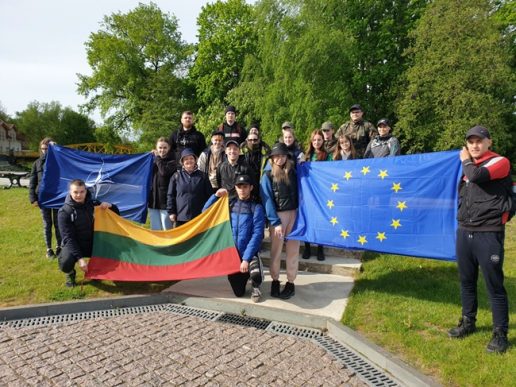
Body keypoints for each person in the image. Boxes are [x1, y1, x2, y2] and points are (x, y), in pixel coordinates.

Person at [448, 126, 512, 353]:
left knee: (494, 285)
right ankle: (468, 322)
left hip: (488, 233)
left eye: (479, 141)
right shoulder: (468, 167)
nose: (474, 146)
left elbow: (476, 176)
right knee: (466, 280)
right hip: (465, 231)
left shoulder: (499, 161)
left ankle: (500, 334)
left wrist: (465, 160)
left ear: (489, 143)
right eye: (470, 142)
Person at [203, 175, 265, 302]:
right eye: (239, 187)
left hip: (249, 253)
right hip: (233, 254)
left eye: (245, 186)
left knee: (256, 274)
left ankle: (256, 284)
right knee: (238, 292)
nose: (242, 189)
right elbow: (205, 213)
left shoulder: (256, 208)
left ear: (251, 188)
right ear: (235, 188)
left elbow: (257, 235)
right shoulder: (229, 205)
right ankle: (245, 276)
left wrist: (246, 259)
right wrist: (215, 196)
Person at [58, 179, 119, 287]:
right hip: (74, 243)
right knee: (65, 263)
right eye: (75, 192)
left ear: (86, 191)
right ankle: (70, 273)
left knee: (116, 252)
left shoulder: (93, 204)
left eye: (82, 192)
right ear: (70, 192)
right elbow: (68, 238)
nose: (79, 195)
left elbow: (116, 215)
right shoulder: (64, 212)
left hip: (92, 242)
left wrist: (110, 206)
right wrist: (80, 259)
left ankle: (96, 271)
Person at [260, 143, 300, 299]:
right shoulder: (267, 175)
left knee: (293, 250)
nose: (280, 158)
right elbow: (267, 199)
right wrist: (275, 222)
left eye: (283, 156)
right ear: (272, 158)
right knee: (276, 250)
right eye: (277, 156)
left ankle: (291, 282)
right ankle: (275, 280)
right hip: (278, 215)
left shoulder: (293, 172)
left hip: (294, 214)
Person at [29, 137, 62, 258]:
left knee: (58, 223)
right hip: (43, 198)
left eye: (47, 149)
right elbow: (32, 182)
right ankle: (49, 249)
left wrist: (56, 149)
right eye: (43, 149)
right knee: (47, 224)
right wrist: (33, 198)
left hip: (57, 197)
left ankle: (59, 247)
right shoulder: (37, 163)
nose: (44, 151)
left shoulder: (58, 161)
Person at [303, 129, 331, 261]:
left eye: (319, 139)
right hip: (308, 193)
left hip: (321, 193)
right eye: (314, 140)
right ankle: (307, 247)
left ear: (323, 140)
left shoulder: (327, 156)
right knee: (308, 220)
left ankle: (320, 248)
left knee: (320, 220)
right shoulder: (306, 155)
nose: (316, 142)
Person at [167, 148, 213, 227]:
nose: (189, 161)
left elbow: (209, 195)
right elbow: (170, 195)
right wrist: (171, 212)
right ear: (182, 162)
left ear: (195, 160)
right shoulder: (176, 176)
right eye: (186, 159)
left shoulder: (203, 176)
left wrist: (208, 211)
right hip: (181, 217)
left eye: (191, 158)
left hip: (199, 217)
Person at [148, 137, 176, 230]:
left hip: (166, 203)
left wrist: (157, 158)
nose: (162, 150)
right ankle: (157, 245)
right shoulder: (152, 160)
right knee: (156, 229)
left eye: (165, 148)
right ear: (156, 148)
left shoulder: (172, 161)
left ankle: (169, 245)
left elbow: (164, 172)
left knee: (166, 228)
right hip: (153, 201)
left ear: (169, 148)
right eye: (160, 148)